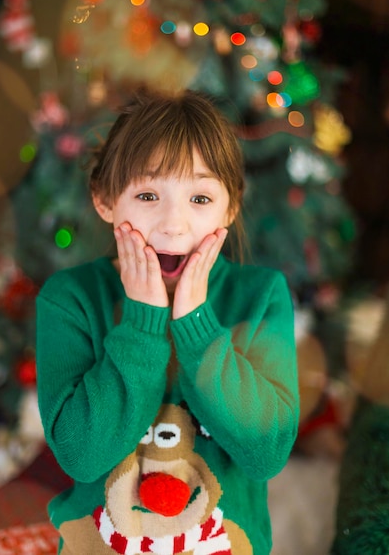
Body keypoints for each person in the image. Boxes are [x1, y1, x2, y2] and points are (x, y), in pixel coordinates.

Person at [36, 88, 299, 555]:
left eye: (200, 197)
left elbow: (265, 455)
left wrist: (197, 325)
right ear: (104, 200)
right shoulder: (70, 298)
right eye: (148, 194)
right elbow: (83, 456)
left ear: (230, 207)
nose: (174, 225)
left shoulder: (260, 296)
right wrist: (142, 323)